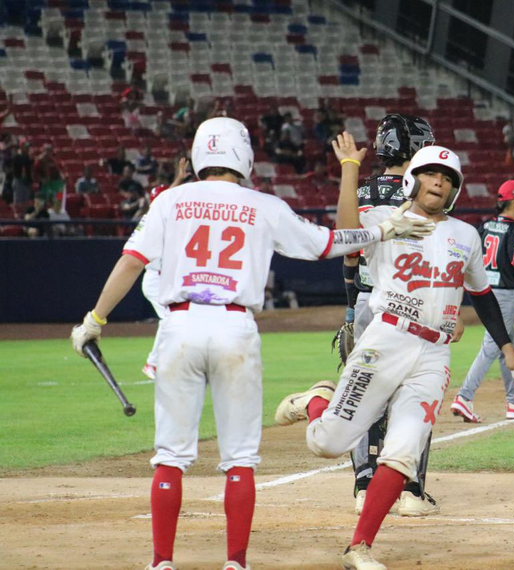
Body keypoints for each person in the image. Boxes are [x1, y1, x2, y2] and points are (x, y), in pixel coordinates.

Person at [69, 117, 432, 570]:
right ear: (244, 157)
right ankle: (236, 563)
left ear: (201, 154)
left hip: (178, 328)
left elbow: (130, 263)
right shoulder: (262, 204)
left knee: (170, 456)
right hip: (236, 329)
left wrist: (94, 319)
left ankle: (162, 562)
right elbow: (326, 243)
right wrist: (383, 230)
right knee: (239, 459)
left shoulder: (169, 201)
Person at [274, 143, 514, 570]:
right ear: (414, 178)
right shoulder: (383, 221)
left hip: (434, 353)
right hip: (385, 341)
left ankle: (359, 548)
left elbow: (482, 295)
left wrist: (508, 348)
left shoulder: (464, 235)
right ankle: (317, 398)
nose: (439, 182)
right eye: (432, 173)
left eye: (448, 179)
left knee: (404, 450)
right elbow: (342, 237)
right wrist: (350, 169)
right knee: (327, 443)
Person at [336, 115, 442, 518]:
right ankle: (410, 486)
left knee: (361, 389)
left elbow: (349, 251)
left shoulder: (361, 189)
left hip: (366, 299)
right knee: (418, 391)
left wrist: (350, 307)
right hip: (416, 304)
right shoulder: (428, 191)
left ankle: (364, 481)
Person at [451, 179, 514, 423]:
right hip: (503, 293)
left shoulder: (484, 227)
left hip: (483, 290)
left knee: (508, 342)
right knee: (493, 345)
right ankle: (464, 396)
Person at [140, 158, 191, 381]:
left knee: (178, 319)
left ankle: (169, 363)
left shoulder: (171, 220)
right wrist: (178, 179)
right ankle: (153, 363)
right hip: (154, 279)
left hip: (164, 279)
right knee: (170, 320)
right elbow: (164, 200)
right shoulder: (153, 217)